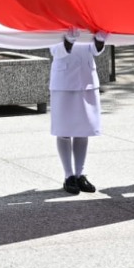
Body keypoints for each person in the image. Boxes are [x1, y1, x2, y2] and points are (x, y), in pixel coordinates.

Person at [49, 31, 106, 195]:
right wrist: (67, 42)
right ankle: (69, 175)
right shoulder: (56, 19)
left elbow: (94, 51)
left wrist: (100, 42)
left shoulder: (88, 18)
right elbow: (54, 50)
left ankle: (80, 173)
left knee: (83, 129)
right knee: (64, 130)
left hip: (86, 78)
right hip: (64, 80)